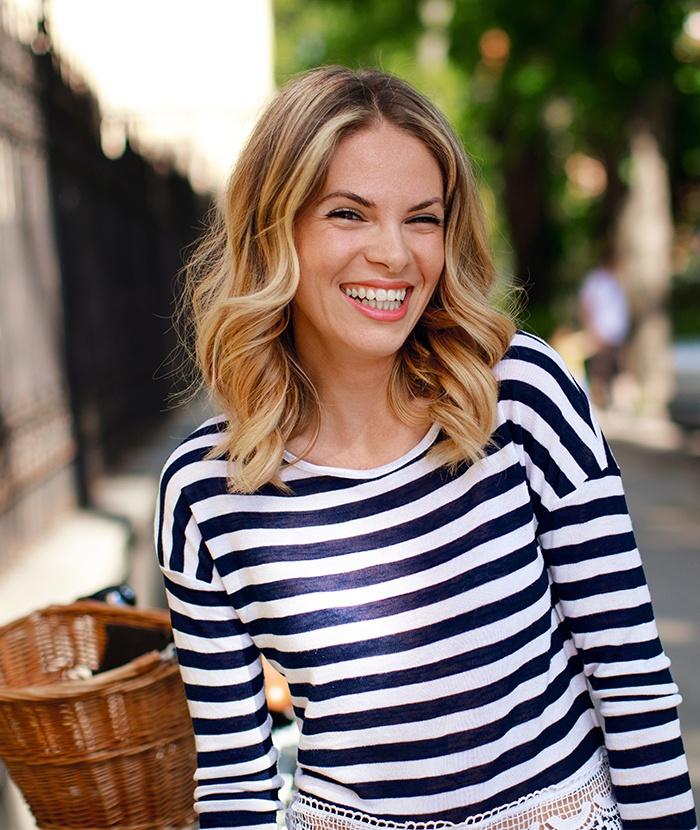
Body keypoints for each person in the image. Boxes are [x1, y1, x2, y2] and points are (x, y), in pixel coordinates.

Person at [155, 66, 697, 830]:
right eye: (349, 213)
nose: (395, 254)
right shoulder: (204, 494)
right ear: (274, 230)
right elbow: (237, 786)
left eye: (423, 218)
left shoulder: (522, 395)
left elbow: (633, 682)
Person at [577, 256, 630, 408]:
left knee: (616, 369)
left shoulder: (618, 281)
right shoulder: (596, 280)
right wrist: (590, 330)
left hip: (617, 335)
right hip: (600, 333)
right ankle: (597, 402)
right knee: (600, 370)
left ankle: (612, 402)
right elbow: (586, 305)